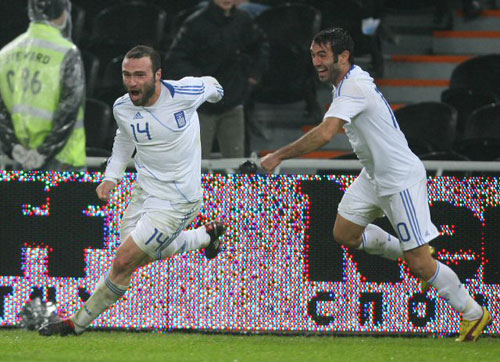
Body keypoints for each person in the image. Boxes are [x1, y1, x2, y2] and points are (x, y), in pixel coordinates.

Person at [261, 28, 491, 342]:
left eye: (322, 55)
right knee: (345, 233)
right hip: (373, 177)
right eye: (313, 55)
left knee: (422, 265)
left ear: (343, 56)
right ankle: (413, 254)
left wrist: (278, 156)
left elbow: (326, 134)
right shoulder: (347, 82)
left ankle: (474, 313)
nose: (316, 62)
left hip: (399, 181)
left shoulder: (353, 86)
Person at [39, 45, 227, 336]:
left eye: (140, 75)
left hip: (179, 201)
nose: (132, 82)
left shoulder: (183, 94)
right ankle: (204, 236)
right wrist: (111, 177)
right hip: (144, 191)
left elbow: (213, 85)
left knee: (124, 260)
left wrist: (216, 95)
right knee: (142, 251)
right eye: (127, 75)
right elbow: (124, 139)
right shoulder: (121, 107)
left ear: (158, 75)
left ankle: (76, 324)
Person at [165, 0, 269, 159]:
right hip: (202, 106)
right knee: (197, 162)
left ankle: (233, 185)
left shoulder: (243, 20)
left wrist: (253, 73)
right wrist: (201, 83)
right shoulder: (195, 23)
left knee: (236, 162)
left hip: (233, 101)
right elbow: (176, 59)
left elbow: (260, 45)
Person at [0, 0, 86, 171]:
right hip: (64, 160)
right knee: (67, 199)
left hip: (22, 159)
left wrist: (14, 147)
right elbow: (68, 109)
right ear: (63, 13)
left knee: (25, 199)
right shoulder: (67, 52)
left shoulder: (5, 54)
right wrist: (43, 152)